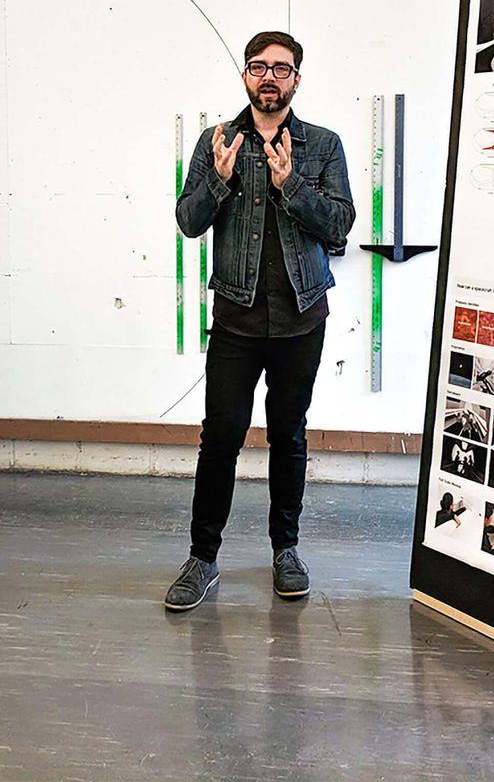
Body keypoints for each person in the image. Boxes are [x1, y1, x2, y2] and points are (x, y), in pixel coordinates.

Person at [164, 30, 356, 611]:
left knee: (288, 435)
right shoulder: (216, 141)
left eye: (281, 68)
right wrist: (220, 181)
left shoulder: (322, 145)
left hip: (301, 315)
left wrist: (289, 184)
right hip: (236, 318)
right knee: (219, 439)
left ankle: (285, 550)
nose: (269, 76)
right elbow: (188, 221)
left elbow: (341, 223)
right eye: (258, 67)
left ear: (297, 79)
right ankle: (202, 557)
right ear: (245, 76)